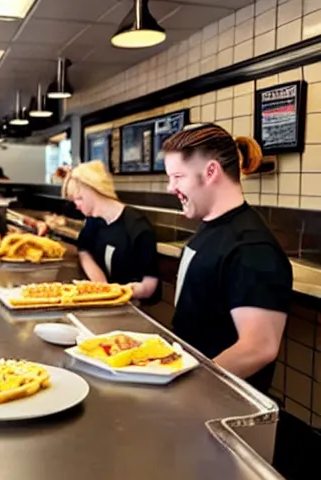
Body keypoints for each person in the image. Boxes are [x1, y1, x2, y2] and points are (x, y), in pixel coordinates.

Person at [162, 123, 292, 393]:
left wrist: (189, 387)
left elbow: (259, 348)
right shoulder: (212, 226)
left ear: (211, 172)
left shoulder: (251, 247)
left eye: (177, 177)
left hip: (221, 405)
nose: (169, 187)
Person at [63, 160, 160, 302]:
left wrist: (119, 292)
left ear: (92, 191)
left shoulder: (137, 227)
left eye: (78, 199)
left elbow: (150, 285)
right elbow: (83, 250)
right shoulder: (93, 221)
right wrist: (101, 285)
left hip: (131, 306)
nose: (76, 206)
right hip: (104, 301)